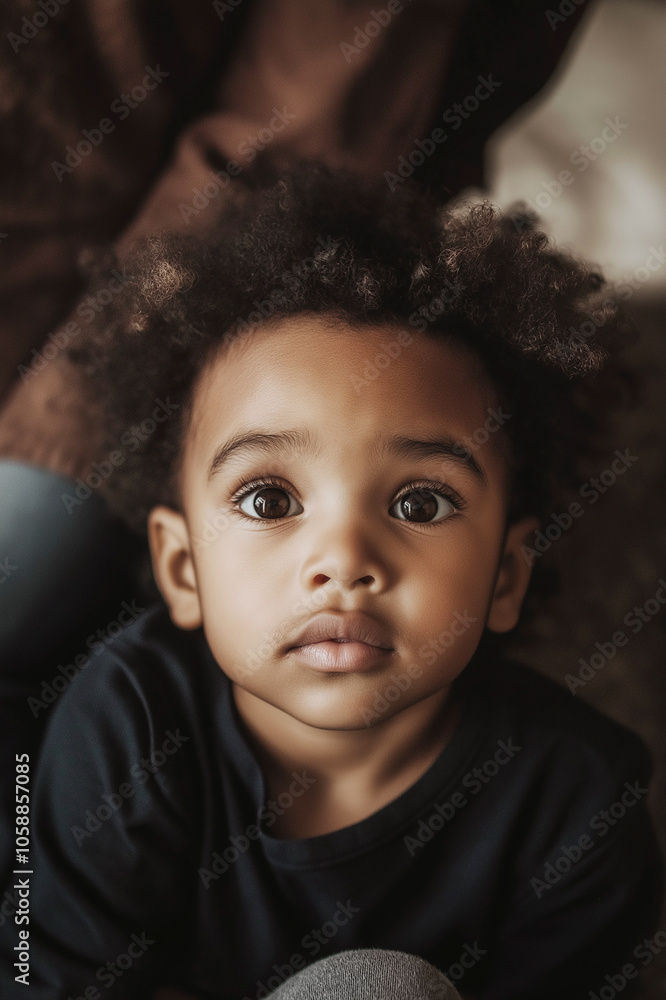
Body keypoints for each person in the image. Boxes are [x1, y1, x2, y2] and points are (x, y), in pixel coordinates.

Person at [2, 168, 661, 999]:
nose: (345, 559)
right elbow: (41, 973)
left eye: (420, 502)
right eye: (269, 499)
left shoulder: (577, 802)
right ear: (182, 569)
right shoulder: (125, 718)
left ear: (504, 575)